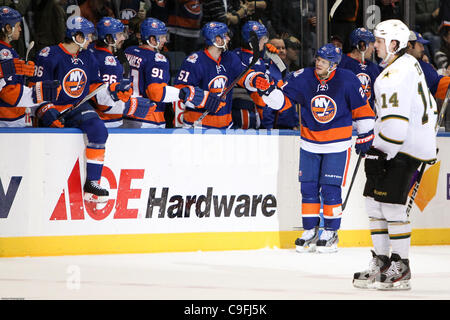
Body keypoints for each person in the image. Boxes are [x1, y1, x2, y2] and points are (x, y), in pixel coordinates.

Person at [261, 43, 376, 253]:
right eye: (318, 59)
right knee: (308, 188)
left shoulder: (348, 79)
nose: (318, 63)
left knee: (331, 190)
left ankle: (331, 231)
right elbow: (282, 102)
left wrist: (365, 133)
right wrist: (268, 91)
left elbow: (362, 110)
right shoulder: (303, 77)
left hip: (337, 145)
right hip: (309, 144)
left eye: (323, 61)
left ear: (334, 64)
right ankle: (310, 230)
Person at [352, 19, 438, 290]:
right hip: (405, 143)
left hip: (402, 147)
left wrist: (381, 151)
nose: (374, 46)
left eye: (378, 41)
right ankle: (382, 260)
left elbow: (396, 123)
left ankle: (401, 265)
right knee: (372, 202)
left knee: (391, 206)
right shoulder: (407, 65)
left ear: (393, 44)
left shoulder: (393, 75)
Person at [31, 15, 135, 203]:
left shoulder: (88, 56)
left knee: (99, 130)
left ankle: (92, 183)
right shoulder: (49, 55)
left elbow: (95, 86)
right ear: (77, 37)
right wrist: (45, 110)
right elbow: (36, 89)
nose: (91, 40)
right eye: (87, 36)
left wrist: (113, 91)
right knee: (51, 148)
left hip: (78, 107)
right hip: (54, 107)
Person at [124, 17, 221, 128]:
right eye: (162, 37)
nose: (165, 40)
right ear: (151, 39)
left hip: (127, 113)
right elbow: (156, 93)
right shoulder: (157, 59)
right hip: (149, 118)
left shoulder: (129, 51)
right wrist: (186, 94)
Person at [173, 21, 273, 129]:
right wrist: (203, 99)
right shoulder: (194, 61)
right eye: (225, 36)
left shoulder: (230, 58)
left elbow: (243, 75)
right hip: (198, 126)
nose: (229, 39)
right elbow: (179, 91)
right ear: (217, 40)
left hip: (225, 125)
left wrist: (255, 79)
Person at [0, 6, 61, 128]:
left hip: (15, 117)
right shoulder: (3, 52)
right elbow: (7, 93)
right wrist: (38, 93)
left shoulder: (9, 50)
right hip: (6, 121)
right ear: (8, 28)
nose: (20, 29)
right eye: (17, 25)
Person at [231, 20, 269, 129]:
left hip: (230, 107)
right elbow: (258, 95)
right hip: (246, 109)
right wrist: (265, 120)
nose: (265, 42)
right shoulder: (256, 61)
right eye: (262, 39)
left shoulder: (235, 53)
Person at [339, 28, 381, 110]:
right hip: (348, 116)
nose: (373, 49)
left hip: (367, 117)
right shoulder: (341, 63)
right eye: (372, 44)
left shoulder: (373, 68)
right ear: (362, 45)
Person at [407, 30, 450, 103]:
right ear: (409, 45)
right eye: (420, 45)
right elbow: (437, 84)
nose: (423, 49)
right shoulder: (418, 64)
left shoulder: (419, 62)